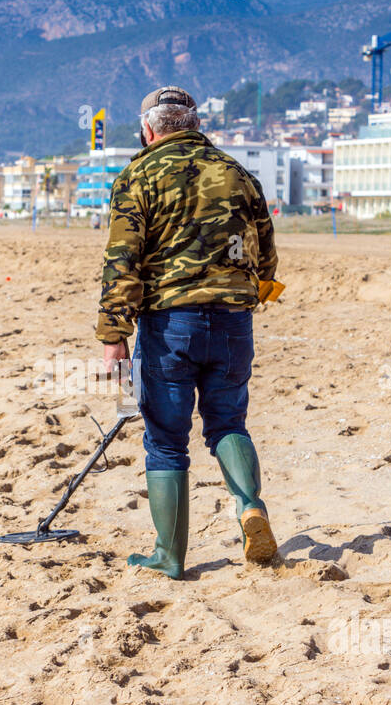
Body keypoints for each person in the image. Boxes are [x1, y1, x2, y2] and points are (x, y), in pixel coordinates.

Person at [96, 85, 280, 579]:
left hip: (169, 325)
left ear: (148, 130)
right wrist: (243, 299)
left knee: (166, 441)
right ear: (195, 125)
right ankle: (249, 506)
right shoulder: (239, 174)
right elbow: (266, 255)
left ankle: (169, 555)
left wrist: (115, 333)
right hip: (233, 322)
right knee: (228, 425)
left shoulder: (138, 175)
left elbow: (122, 261)